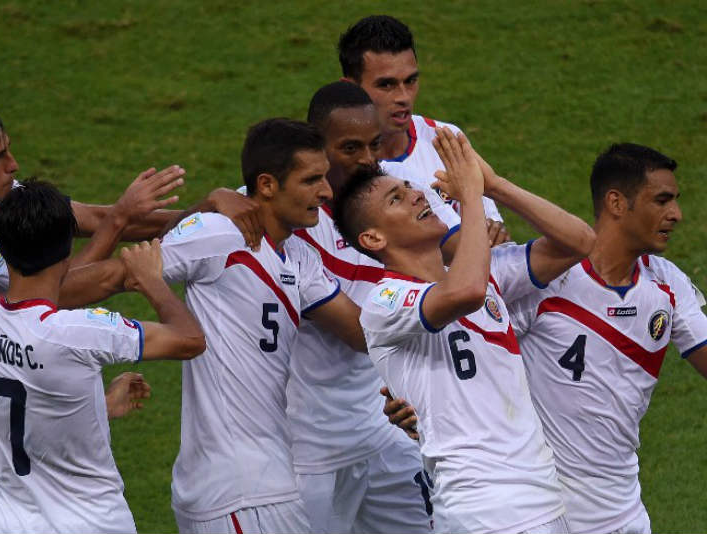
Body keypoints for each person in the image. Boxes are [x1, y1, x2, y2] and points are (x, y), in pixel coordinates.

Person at [0, 102, 254, 534]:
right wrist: (129, 238)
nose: (13, 165)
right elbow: (55, 284)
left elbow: (90, 221)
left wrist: (204, 215)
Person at [334, 127, 595, 532]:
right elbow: (467, 291)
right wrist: (473, 197)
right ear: (373, 237)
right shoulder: (384, 303)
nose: (417, 194)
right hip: (481, 508)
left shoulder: (481, 276)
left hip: (541, 498)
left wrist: (495, 185)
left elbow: (579, 241)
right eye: (396, 198)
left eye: (410, 186)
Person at [0, 180, 205, 533]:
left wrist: (99, 406)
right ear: (67, 252)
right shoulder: (78, 333)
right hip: (91, 523)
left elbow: (23, 416)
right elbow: (189, 340)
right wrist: (151, 280)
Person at [165, 118, 367, 534]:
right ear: (268, 185)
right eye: (312, 180)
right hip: (240, 492)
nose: (327, 192)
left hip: (264, 485)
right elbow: (127, 272)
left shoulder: (300, 259)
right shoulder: (217, 234)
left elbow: (363, 333)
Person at [504, 143, 707, 534]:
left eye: (675, 202)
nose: (677, 215)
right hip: (543, 511)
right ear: (616, 203)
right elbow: (473, 351)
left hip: (623, 510)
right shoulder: (546, 280)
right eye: (662, 201)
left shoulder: (666, 282)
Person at [286, 81, 459, 533]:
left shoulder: (395, 201)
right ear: (314, 146)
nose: (367, 159)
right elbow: (366, 334)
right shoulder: (289, 215)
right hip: (308, 450)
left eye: (374, 144)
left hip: (386, 433)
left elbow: (466, 253)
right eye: (350, 147)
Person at [338, 14, 510, 246]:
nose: (403, 97)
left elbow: (492, 232)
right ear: (350, 88)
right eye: (386, 85)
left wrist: (494, 230)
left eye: (410, 81)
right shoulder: (332, 164)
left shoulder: (445, 139)